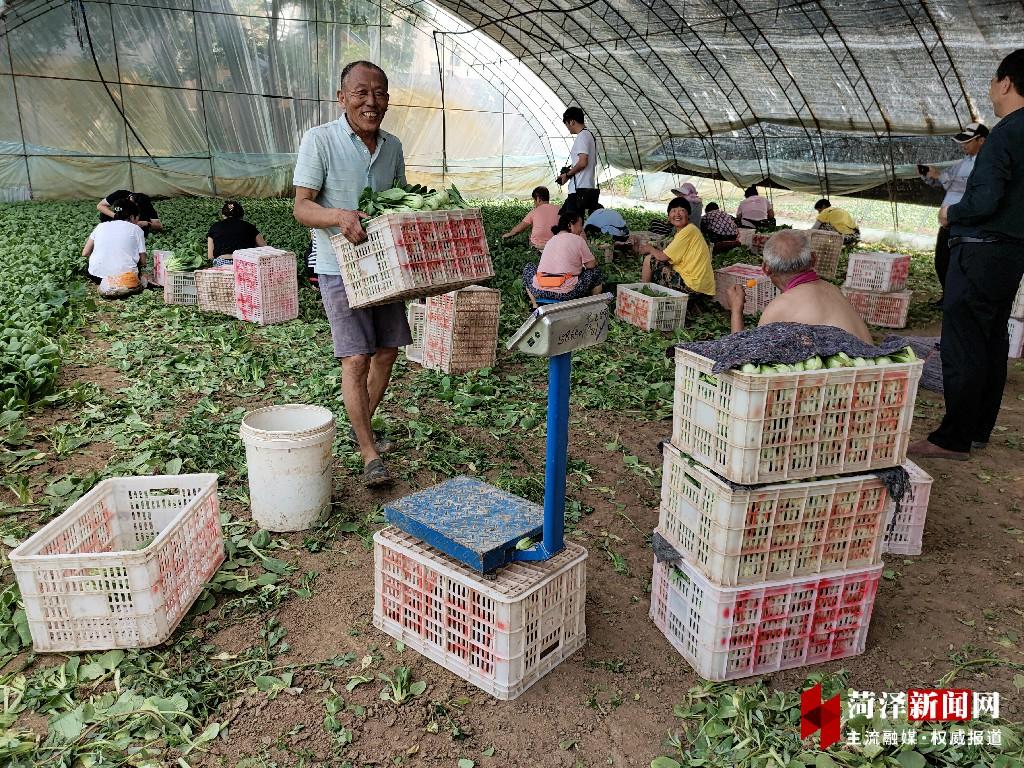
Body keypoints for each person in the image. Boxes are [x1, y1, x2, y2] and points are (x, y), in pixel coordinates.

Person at [292, 60, 409, 488]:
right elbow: (302, 207)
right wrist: (339, 216)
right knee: (356, 357)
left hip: (385, 268)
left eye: (379, 93)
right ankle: (367, 452)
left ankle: (363, 427)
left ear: (387, 100)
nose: (370, 101)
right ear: (342, 98)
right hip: (338, 267)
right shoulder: (319, 140)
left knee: (387, 352)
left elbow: (398, 200)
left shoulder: (393, 147)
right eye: (360, 93)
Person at [910, 49, 1024, 461]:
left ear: (1006, 83)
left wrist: (950, 213)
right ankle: (977, 430)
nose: (992, 89)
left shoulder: (1005, 133)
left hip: (978, 251)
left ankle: (952, 437)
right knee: (991, 339)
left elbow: (986, 198)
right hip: (1010, 254)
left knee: (963, 343)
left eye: (994, 81)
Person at [724, 229, 872, 343]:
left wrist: (736, 310)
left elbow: (743, 359)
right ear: (814, 259)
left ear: (766, 269)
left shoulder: (780, 307)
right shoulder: (833, 289)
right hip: (873, 375)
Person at [918, 121, 988, 298]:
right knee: (942, 261)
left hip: (966, 223)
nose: (963, 146)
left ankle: (957, 298)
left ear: (982, 141)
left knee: (959, 264)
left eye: (968, 141)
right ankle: (947, 296)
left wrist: (940, 176)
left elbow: (971, 186)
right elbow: (947, 181)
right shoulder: (964, 162)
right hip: (948, 222)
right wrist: (929, 176)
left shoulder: (987, 164)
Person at [635, 197, 715, 299]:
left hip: (692, 286)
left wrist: (650, 248)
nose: (677, 214)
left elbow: (663, 256)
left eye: (682, 210)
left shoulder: (688, 231)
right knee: (659, 263)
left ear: (688, 215)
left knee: (650, 260)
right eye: (673, 211)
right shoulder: (688, 230)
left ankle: (643, 295)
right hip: (699, 286)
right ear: (668, 216)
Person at [522, 209, 604, 307]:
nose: (581, 229)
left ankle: (535, 305)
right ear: (570, 225)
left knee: (529, 267)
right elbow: (591, 265)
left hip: (540, 290)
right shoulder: (578, 239)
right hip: (565, 293)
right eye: (580, 225)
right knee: (595, 271)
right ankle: (593, 306)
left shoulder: (551, 240)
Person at [82, 198, 147, 296]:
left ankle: (106, 280)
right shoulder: (136, 229)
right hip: (125, 277)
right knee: (136, 265)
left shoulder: (100, 226)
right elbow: (143, 262)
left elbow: (85, 253)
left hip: (96, 276)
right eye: (137, 218)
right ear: (132, 216)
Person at [556, 107, 599, 217]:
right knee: (566, 218)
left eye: (566, 124)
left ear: (572, 121)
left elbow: (583, 162)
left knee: (570, 223)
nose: (567, 128)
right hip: (586, 186)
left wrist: (567, 174)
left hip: (578, 189)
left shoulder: (582, 136)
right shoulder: (589, 135)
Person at [207, 201, 267, 266]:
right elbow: (265, 249)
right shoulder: (249, 227)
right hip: (245, 263)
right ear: (241, 215)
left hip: (221, 264)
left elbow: (210, 256)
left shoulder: (215, 227)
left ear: (223, 215)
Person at [501, 186, 560, 250]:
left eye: (534, 201)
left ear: (538, 199)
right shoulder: (559, 209)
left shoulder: (534, 211)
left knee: (530, 235)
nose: (534, 203)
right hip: (555, 245)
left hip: (537, 245)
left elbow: (519, 228)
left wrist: (509, 234)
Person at [97, 190, 162, 234]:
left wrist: (148, 224)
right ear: (129, 198)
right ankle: (112, 230)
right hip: (117, 221)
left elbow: (158, 226)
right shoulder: (120, 194)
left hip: (135, 226)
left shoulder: (145, 204)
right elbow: (100, 206)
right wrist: (116, 216)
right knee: (104, 214)